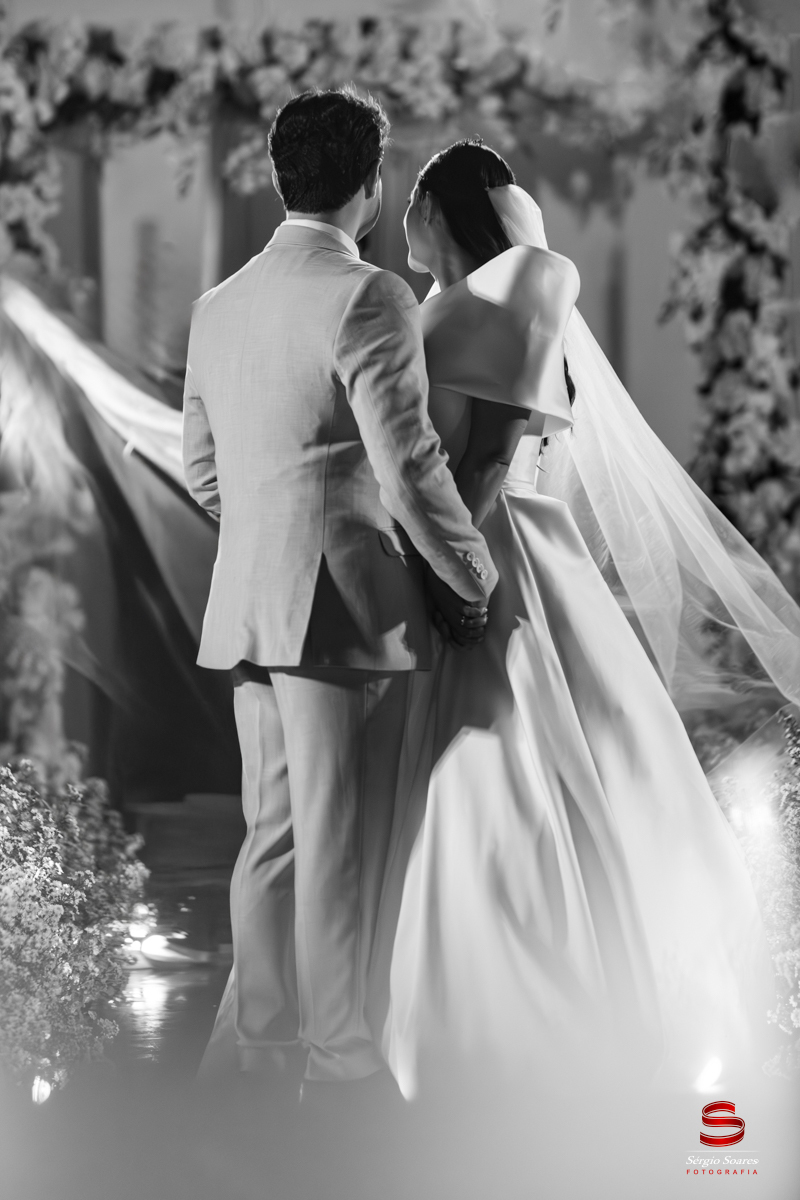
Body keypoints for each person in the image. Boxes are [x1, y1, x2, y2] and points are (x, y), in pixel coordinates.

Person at [368, 140, 800, 1100]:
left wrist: (457, 572)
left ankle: (514, 1017)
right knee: (477, 770)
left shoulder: (515, 287)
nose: (400, 218)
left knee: (500, 772)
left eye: (413, 200)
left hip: (489, 549)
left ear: (438, 207)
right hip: (456, 548)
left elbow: (489, 455)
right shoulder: (439, 305)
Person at [183, 92, 497, 1096]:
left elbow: (203, 474)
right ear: (371, 183)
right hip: (339, 605)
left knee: (271, 836)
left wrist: (268, 534)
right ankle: (342, 1067)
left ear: (283, 179)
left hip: (249, 601)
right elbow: (408, 468)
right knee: (335, 840)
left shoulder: (219, 304)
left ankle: (263, 1055)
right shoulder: (368, 295)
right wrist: (473, 574)